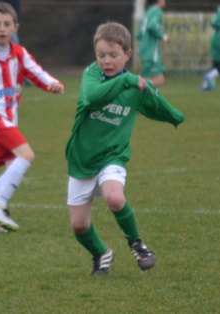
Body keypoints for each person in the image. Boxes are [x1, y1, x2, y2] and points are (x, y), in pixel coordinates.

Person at [65, 22, 185, 276]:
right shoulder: (91, 76)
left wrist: (174, 116)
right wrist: (128, 80)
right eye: (101, 55)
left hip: (113, 155)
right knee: (79, 226)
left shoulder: (136, 86)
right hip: (82, 157)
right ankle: (102, 253)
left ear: (128, 55)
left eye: (113, 55)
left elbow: (154, 101)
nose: (106, 61)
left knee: (115, 197)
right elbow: (93, 98)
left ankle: (137, 244)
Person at [0, 2, 64, 232]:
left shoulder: (19, 53)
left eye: (7, 24)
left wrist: (53, 84)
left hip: (9, 120)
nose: (2, 29)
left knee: (12, 167)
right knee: (27, 155)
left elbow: (36, 72)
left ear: (15, 27)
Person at [137, 0, 169, 89]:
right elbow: (151, 26)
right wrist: (164, 37)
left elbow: (138, 34)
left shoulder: (148, 12)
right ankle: (133, 90)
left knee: (151, 79)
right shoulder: (157, 11)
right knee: (159, 79)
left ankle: (149, 101)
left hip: (144, 48)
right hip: (151, 51)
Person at [201, 6, 220, 91]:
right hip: (218, 38)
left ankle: (206, 85)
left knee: (215, 63)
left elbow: (213, 22)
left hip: (215, 37)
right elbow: (215, 23)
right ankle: (209, 76)